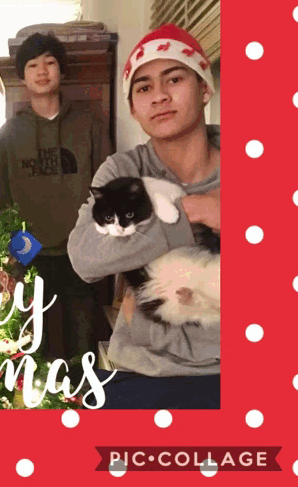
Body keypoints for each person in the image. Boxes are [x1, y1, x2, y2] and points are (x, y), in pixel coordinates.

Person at [67, 23, 220, 409]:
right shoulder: (123, 169)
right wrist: (194, 212)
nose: (160, 97)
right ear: (134, 109)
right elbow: (85, 256)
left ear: (204, 88)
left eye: (174, 78)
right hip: (143, 370)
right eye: (144, 87)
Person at [0, 32, 112, 375]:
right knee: (36, 353)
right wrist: (14, 259)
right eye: (32, 64)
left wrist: (97, 248)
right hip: (32, 258)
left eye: (50, 62)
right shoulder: (8, 135)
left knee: (83, 354)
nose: (42, 71)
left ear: (62, 71)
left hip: (81, 257)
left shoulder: (89, 125)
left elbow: (107, 191)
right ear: (23, 76)